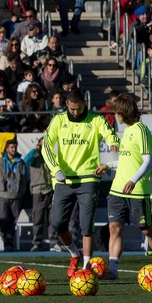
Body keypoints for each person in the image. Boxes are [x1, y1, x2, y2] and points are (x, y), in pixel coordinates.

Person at [42, 89, 119, 277]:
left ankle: (85, 269)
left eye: (78, 109)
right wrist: (55, 169)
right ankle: (74, 254)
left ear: (84, 104)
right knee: (58, 223)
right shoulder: (58, 120)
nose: (75, 112)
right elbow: (46, 146)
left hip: (89, 178)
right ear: (67, 105)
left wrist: (112, 142)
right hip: (64, 180)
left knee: (86, 225)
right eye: (72, 109)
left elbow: (110, 134)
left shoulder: (95, 119)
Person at [106, 94, 152, 280]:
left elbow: (147, 161)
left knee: (146, 229)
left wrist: (133, 180)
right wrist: (107, 166)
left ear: (124, 112)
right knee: (115, 227)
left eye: (117, 112)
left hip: (136, 190)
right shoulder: (126, 131)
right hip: (117, 189)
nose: (115, 116)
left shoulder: (142, 130)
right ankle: (113, 270)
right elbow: (126, 161)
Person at [0, 139, 28, 252]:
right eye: (11, 147)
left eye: (15, 147)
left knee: (13, 220)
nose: (13, 149)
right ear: (7, 149)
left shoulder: (21, 162)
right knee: (3, 219)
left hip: (16, 195)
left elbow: (25, 178)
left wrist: (22, 191)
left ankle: (10, 242)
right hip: (3, 194)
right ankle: (6, 242)